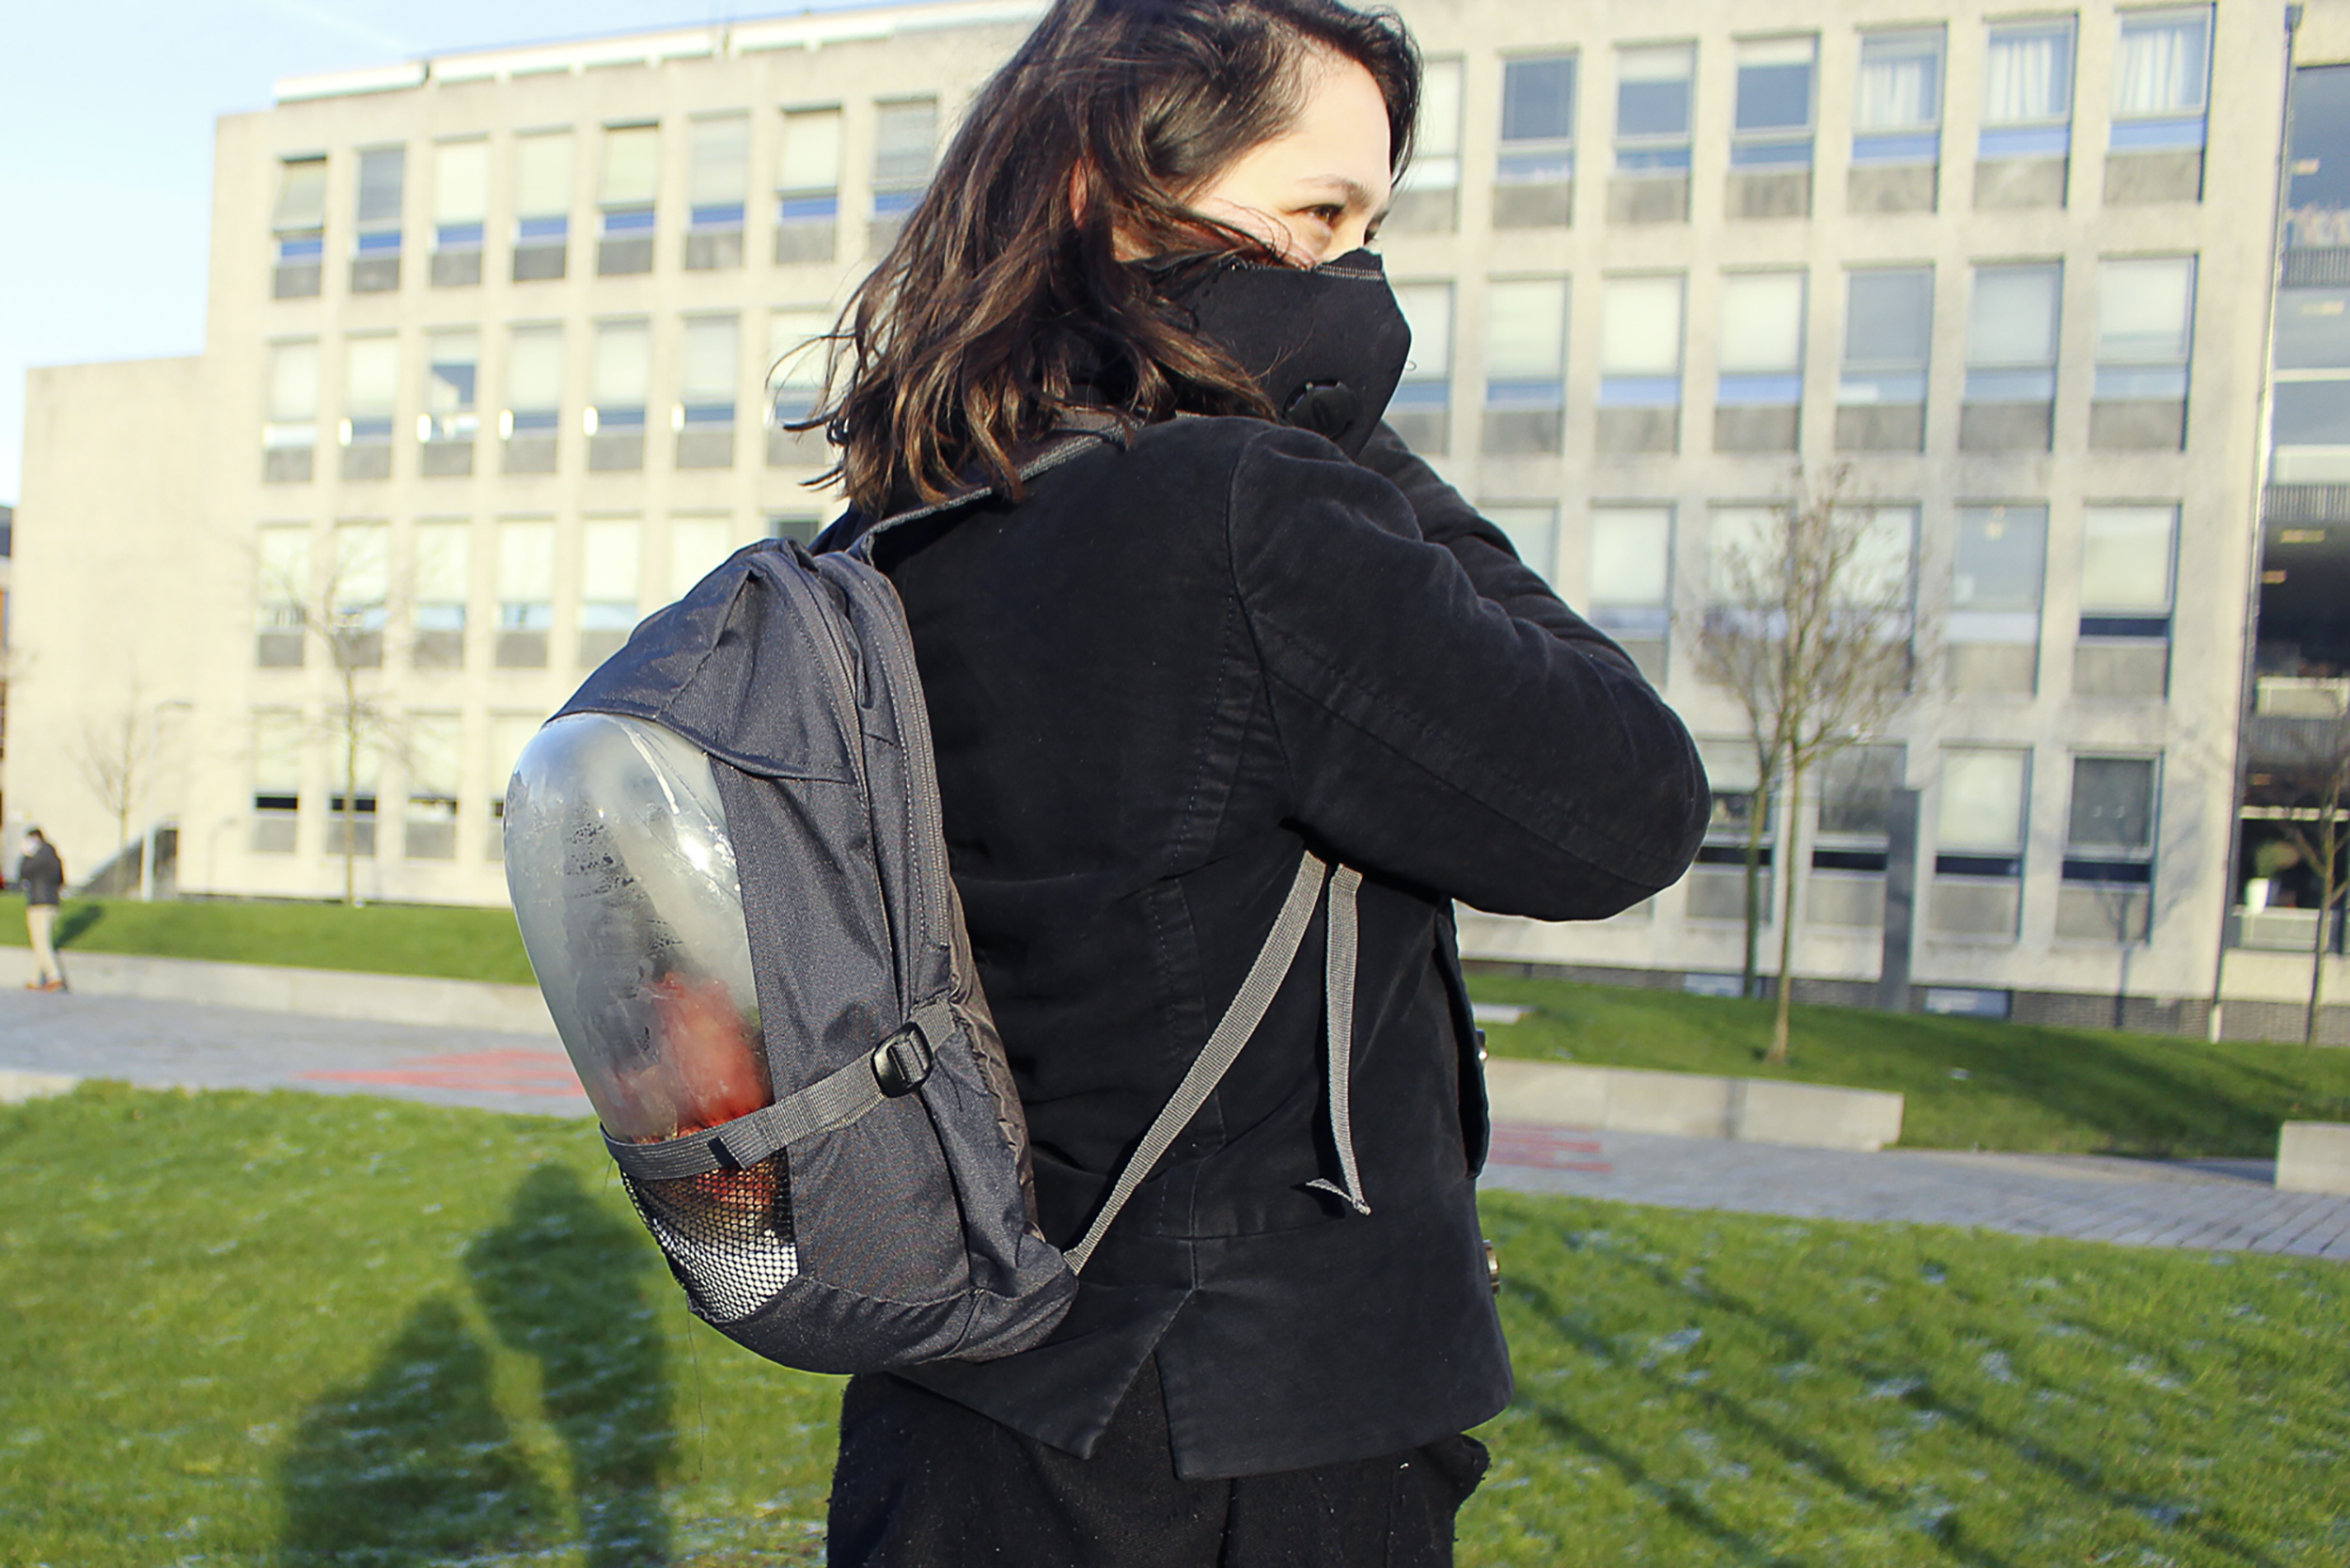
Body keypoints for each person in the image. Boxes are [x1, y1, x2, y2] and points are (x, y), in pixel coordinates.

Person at [811, 0, 1708, 1561]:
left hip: (953, 1398)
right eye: (1319, 214)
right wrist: (1335, 431)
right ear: (1113, 187)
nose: (1354, 279)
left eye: (1371, 228)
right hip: (1246, 1433)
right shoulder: (1247, 511)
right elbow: (1622, 797)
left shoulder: (904, 517)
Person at [19, 828, 66, 992]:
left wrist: (25, 855)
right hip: (53, 903)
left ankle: (54, 977)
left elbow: (24, 873)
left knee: (40, 942)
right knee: (43, 940)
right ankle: (34, 979)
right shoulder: (55, 857)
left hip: (38, 903)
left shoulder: (35, 857)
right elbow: (61, 879)